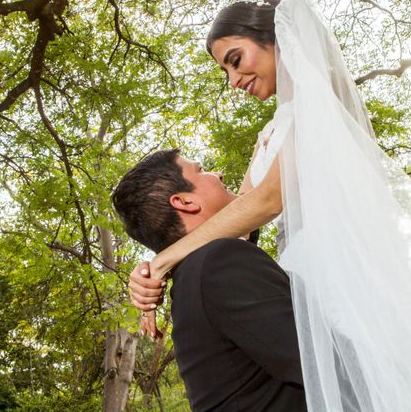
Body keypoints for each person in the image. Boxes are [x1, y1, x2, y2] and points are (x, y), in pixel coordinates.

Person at [127, 0, 411, 411]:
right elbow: (240, 218)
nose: (233, 81)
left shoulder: (317, 106)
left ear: (273, 38)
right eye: (225, 71)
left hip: (345, 282)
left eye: (234, 59)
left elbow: (268, 200)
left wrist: (166, 258)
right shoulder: (269, 135)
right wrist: (147, 273)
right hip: (301, 288)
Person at [111, 150, 308, 411]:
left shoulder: (195, 271)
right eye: (202, 169)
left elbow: (248, 209)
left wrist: (164, 259)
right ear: (184, 201)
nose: (218, 174)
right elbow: (314, 363)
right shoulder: (219, 262)